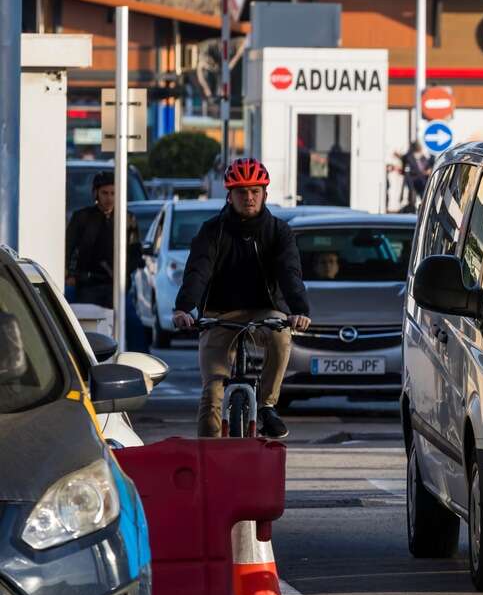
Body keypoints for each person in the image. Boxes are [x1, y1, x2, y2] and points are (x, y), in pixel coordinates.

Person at [171, 158, 312, 439]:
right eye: (241, 192)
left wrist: (299, 310)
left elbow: (289, 273)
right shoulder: (212, 231)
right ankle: (208, 457)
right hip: (219, 314)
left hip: (264, 310)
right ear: (229, 195)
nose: (248, 197)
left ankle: (268, 405)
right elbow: (198, 270)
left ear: (264, 194)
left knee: (281, 335)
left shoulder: (278, 232)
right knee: (212, 391)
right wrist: (183, 308)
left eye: (254, 191)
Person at [65, 171, 141, 308]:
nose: (109, 198)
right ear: (96, 193)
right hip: (88, 284)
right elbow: (68, 247)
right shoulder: (82, 217)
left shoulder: (127, 219)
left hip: (117, 285)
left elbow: (134, 251)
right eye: (105, 193)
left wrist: (124, 272)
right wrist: (70, 274)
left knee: (123, 324)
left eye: (113, 193)